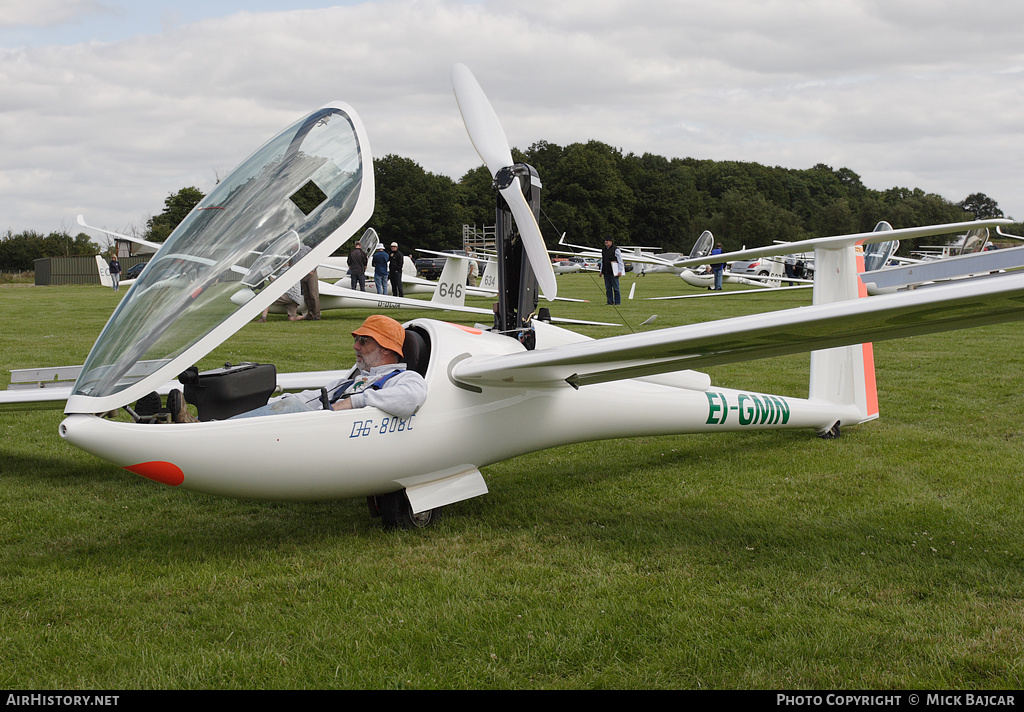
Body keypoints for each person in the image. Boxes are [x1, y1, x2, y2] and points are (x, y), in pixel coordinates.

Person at [169, 315, 427, 422]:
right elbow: (313, 396)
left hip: (334, 438)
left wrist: (354, 402)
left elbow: (413, 397)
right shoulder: (353, 380)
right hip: (318, 430)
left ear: (387, 348)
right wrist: (277, 401)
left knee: (290, 407)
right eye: (356, 340)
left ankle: (202, 430)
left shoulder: (403, 378)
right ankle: (209, 427)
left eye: (363, 341)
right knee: (290, 400)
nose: (355, 346)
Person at [295, 244, 321, 321]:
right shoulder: (293, 253)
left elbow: (316, 258)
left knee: (313, 294)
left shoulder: (306, 248)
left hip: (311, 274)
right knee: (306, 295)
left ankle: (316, 315)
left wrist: (312, 269)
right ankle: (311, 313)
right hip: (302, 274)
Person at [600, 237, 624, 305]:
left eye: (607, 240)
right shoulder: (604, 250)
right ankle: (609, 302)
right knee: (608, 288)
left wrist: (620, 271)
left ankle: (617, 302)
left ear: (611, 242)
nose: (606, 242)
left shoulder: (616, 250)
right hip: (606, 271)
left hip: (614, 272)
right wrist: (601, 271)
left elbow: (620, 261)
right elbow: (603, 261)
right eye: (605, 240)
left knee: (616, 288)